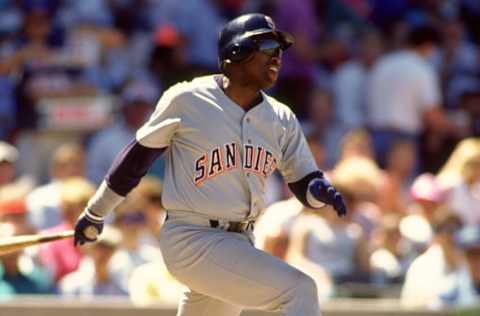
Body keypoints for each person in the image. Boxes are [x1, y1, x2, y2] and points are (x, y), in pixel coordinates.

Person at [73, 13, 347, 316]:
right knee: (300, 289)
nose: (277, 57)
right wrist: (96, 212)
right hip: (193, 238)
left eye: (280, 49)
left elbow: (303, 181)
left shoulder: (281, 117)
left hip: (240, 241)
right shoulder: (188, 99)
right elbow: (134, 162)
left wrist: (319, 191)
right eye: (269, 46)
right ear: (236, 52)